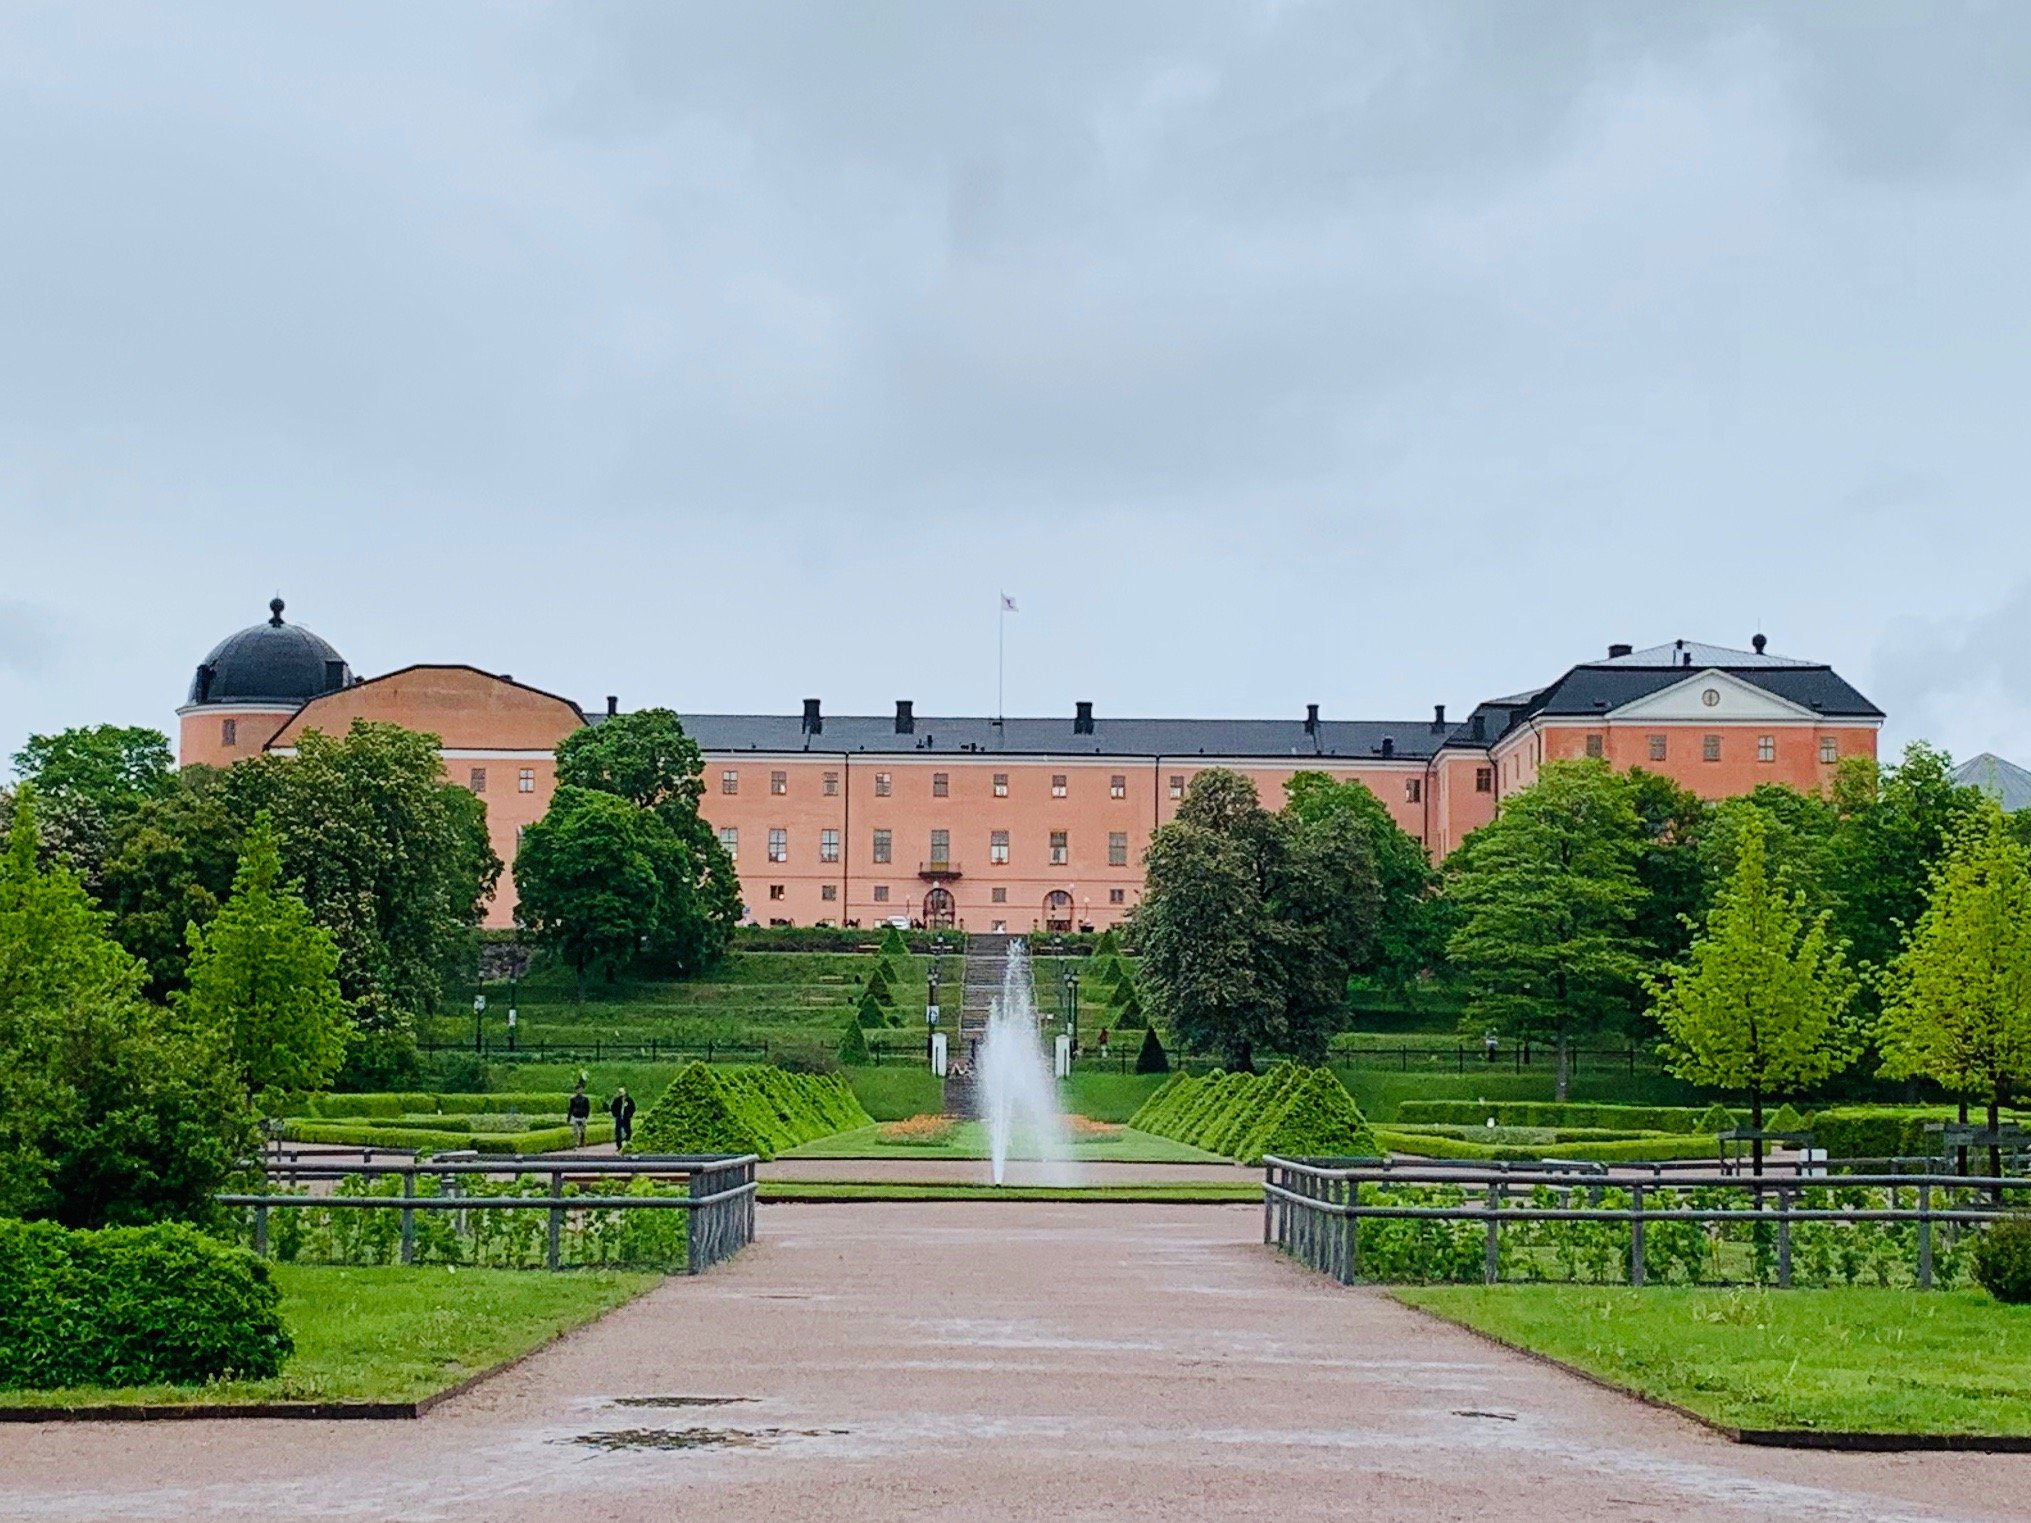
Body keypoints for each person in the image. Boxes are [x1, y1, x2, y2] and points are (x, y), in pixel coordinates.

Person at [609, 1086, 635, 1151]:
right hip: (619, 1117)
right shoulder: (617, 1100)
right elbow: (612, 1107)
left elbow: (633, 1108)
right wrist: (615, 1114)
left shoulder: (629, 1100)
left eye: (622, 1092)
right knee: (618, 1132)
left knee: (628, 1131)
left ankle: (628, 1144)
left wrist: (630, 1114)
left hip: (626, 1117)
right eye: (619, 1092)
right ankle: (619, 1146)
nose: (620, 1093)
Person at [567, 1082, 591, 1147]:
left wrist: (586, 1116)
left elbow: (588, 1108)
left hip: (582, 1117)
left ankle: (582, 1142)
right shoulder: (573, 1099)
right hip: (575, 1116)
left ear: (582, 1090)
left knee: (583, 1131)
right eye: (577, 1089)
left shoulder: (585, 1099)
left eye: (580, 1089)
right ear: (575, 1090)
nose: (579, 1091)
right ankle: (576, 1144)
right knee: (576, 1131)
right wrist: (569, 1118)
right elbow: (570, 1109)